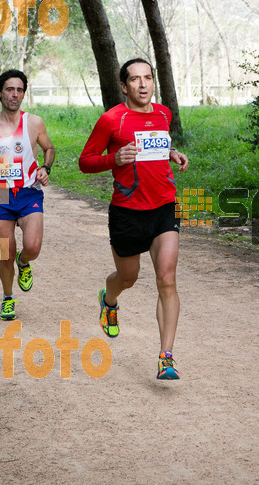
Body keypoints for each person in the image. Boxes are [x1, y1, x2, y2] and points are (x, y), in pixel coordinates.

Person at [79, 58, 189, 380]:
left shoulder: (163, 114)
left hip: (164, 207)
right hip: (127, 213)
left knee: (167, 280)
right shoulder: (111, 120)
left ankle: (166, 357)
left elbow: (155, 146)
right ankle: (109, 299)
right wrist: (114, 158)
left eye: (148, 78)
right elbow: (86, 162)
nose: (143, 85)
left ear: (153, 82)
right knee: (128, 277)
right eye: (135, 79)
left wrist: (171, 153)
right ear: (124, 86)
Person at [0, 69, 55, 321]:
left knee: (33, 246)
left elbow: (49, 148)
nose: (15, 94)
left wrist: (45, 168)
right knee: (5, 253)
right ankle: (8, 298)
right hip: (0, 193)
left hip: (29, 190)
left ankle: (24, 262)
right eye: (10, 89)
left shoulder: (34, 122)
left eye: (19, 90)